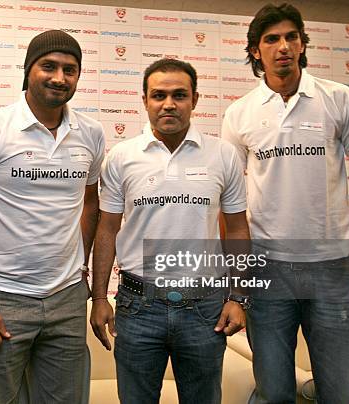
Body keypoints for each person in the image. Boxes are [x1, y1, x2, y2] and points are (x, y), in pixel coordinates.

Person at [221, 3, 349, 403]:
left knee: (343, 393)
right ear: (255, 51)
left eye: (291, 37)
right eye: (272, 39)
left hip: (332, 269)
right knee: (274, 393)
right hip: (267, 269)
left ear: (302, 44)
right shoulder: (239, 113)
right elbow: (229, 207)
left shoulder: (338, 98)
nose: (283, 46)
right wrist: (236, 280)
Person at [0, 30, 105, 404]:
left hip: (66, 299)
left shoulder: (92, 134)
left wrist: (76, 264)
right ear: (28, 70)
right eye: (48, 66)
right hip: (2, 298)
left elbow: (90, 203)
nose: (59, 77)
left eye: (70, 69)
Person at [90, 58, 251, 404]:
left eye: (179, 95)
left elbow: (237, 229)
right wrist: (100, 297)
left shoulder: (222, 156)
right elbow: (106, 230)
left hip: (204, 308)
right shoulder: (121, 156)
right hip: (137, 307)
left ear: (195, 100)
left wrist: (239, 298)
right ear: (145, 100)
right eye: (158, 95)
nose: (168, 104)